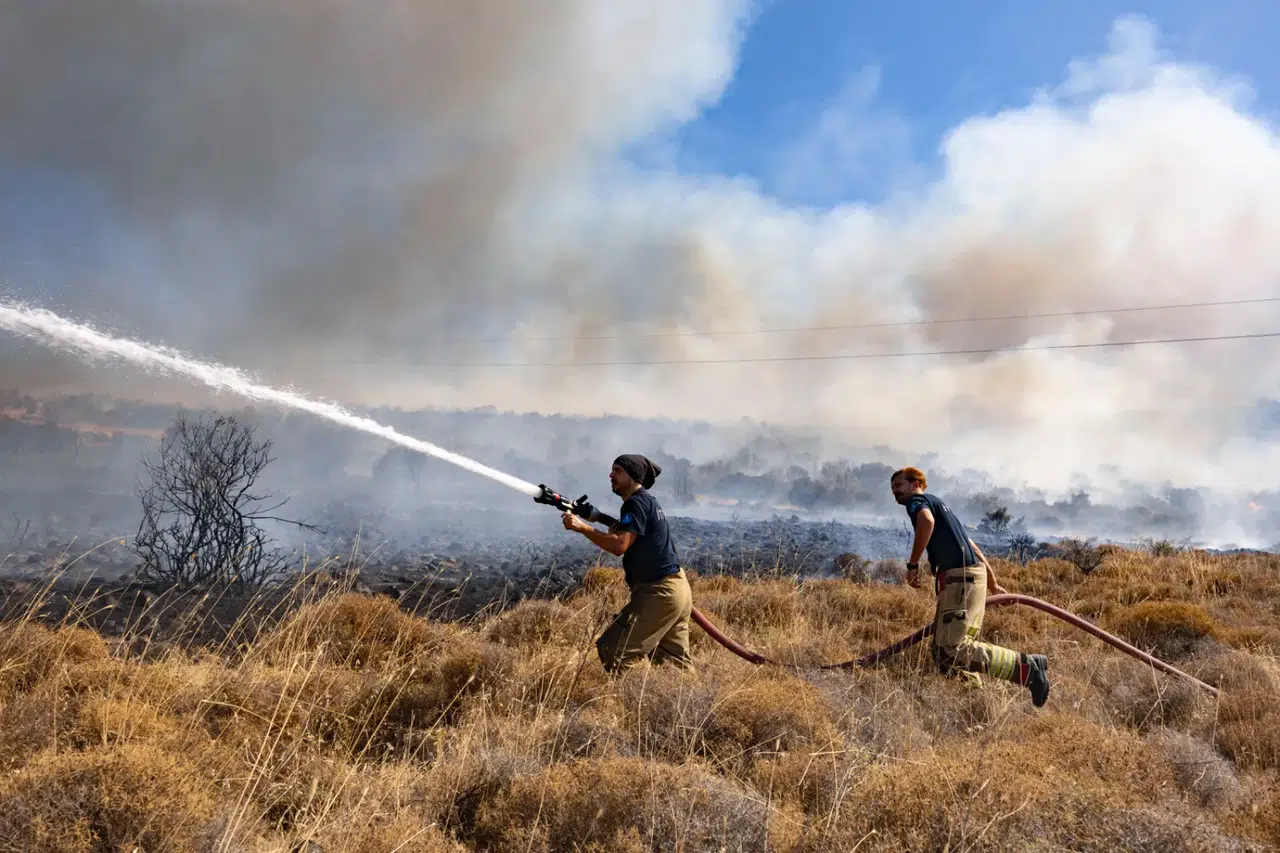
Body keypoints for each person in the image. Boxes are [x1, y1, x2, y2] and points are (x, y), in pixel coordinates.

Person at [891, 466, 1050, 706]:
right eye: (892, 488)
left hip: (959, 580)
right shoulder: (941, 506)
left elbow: (926, 521)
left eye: (899, 485)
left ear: (916, 484)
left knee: (951, 648)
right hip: (972, 578)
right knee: (944, 651)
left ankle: (1027, 668)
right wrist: (993, 583)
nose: (895, 492)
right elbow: (971, 545)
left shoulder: (919, 502)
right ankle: (974, 704)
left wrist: (913, 565)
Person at [561, 454, 694, 673]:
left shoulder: (636, 503)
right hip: (677, 590)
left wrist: (581, 527)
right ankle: (685, 706)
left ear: (632, 475)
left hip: (659, 592)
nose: (610, 475)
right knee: (673, 666)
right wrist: (598, 519)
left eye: (617, 471)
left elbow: (619, 545)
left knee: (614, 650)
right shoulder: (647, 501)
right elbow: (629, 534)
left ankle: (635, 702)